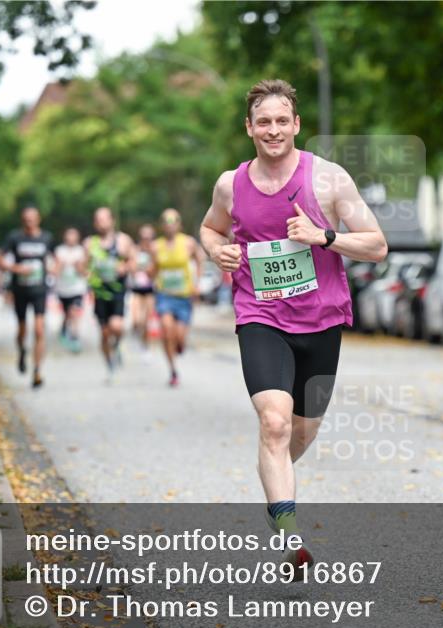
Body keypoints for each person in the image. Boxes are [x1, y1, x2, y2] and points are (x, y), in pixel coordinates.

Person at [199, 79, 387, 576]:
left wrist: (324, 236)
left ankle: (275, 491)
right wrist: (214, 249)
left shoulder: (328, 180)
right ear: (249, 128)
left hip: (322, 321)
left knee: (299, 433)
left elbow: (376, 244)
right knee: (274, 423)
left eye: (282, 120)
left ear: (297, 125)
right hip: (260, 315)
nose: (273, 130)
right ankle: (288, 536)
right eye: (264, 121)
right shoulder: (229, 184)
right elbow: (210, 227)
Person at [0, 207, 55, 388]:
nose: (29, 222)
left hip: (39, 290)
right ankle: (22, 350)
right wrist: (16, 269)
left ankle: (37, 371)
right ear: (22, 220)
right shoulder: (15, 237)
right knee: (22, 330)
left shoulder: (46, 238)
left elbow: (55, 259)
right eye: (26, 219)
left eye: (32, 218)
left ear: (39, 219)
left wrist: (55, 268)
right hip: (20, 290)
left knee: (39, 330)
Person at [151, 208, 203, 387]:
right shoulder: (156, 246)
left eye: (173, 222)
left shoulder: (188, 243)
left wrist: (197, 283)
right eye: (166, 222)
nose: (169, 225)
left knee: (179, 338)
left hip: (184, 296)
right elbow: (153, 269)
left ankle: (178, 345)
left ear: (179, 224)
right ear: (162, 226)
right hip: (164, 295)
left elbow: (199, 260)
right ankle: (173, 370)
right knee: (166, 331)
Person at [84, 207, 134, 379]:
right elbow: (84, 266)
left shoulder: (123, 241)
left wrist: (124, 267)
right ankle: (109, 364)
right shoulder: (90, 243)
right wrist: (88, 274)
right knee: (104, 333)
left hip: (118, 291)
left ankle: (118, 343)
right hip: (99, 293)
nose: (101, 222)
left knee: (117, 326)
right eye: (97, 219)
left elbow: (133, 263)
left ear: (112, 220)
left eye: (104, 219)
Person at [53, 227, 87, 353]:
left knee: (75, 311)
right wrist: (61, 265)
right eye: (69, 235)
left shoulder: (81, 251)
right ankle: (63, 329)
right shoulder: (59, 251)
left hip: (77, 289)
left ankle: (75, 336)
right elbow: (54, 271)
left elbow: (85, 272)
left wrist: (78, 266)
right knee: (67, 313)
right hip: (63, 289)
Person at [130, 224, 158, 351]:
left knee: (146, 322)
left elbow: (155, 271)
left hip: (150, 290)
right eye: (144, 237)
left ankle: (145, 346)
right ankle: (136, 334)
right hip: (136, 289)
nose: (146, 240)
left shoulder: (155, 251)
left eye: (149, 238)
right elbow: (132, 268)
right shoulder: (135, 250)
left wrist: (148, 269)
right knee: (136, 320)